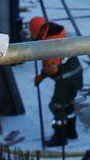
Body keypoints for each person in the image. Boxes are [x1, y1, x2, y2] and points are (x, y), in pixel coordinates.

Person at [28, 15, 83, 145]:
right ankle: (71, 131)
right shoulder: (58, 33)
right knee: (68, 104)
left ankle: (59, 137)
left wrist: (42, 75)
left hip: (65, 80)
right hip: (76, 74)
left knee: (57, 107)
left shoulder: (51, 43)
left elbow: (52, 69)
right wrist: (42, 75)